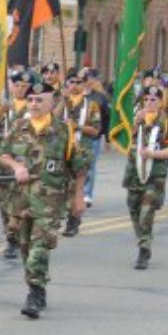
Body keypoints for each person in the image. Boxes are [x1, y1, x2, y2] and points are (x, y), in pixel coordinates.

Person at [0, 81, 82, 319]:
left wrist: (78, 199)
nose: (34, 104)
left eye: (39, 100)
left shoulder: (64, 131)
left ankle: (33, 294)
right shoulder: (18, 126)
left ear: (51, 102)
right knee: (25, 247)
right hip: (21, 200)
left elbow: (79, 167)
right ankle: (38, 287)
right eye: (31, 100)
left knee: (39, 248)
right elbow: (2, 154)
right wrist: (15, 166)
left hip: (50, 203)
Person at [122, 86, 168, 270]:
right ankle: (143, 239)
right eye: (146, 99)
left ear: (161, 102)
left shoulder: (167, 122)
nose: (149, 103)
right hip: (134, 172)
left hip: (155, 174)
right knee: (134, 209)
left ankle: (144, 249)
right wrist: (134, 125)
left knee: (147, 211)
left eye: (153, 100)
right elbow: (124, 143)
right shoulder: (136, 119)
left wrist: (153, 154)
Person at [0, 69, 32, 258]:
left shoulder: (33, 104)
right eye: (17, 85)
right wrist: (2, 110)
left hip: (24, 161)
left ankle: (19, 237)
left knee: (21, 202)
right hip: (2, 160)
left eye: (24, 86)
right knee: (3, 202)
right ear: (11, 86)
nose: (20, 89)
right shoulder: (3, 103)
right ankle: (11, 239)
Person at [60, 68, 101, 237]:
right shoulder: (61, 102)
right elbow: (51, 122)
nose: (75, 85)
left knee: (78, 187)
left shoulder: (91, 105)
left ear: (84, 84)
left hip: (81, 151)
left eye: (78, 82)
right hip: (61, 150)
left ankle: (74, 220)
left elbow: (96, 130)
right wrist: (62, 101)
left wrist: (78, 127)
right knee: (60, 186)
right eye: (72, 82)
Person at [83, 68, 110, 208]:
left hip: (93, 138)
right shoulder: (73, 97)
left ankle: (87, 193)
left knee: (89, 167)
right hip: (74, 138)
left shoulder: (100, 97)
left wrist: (107, 137)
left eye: (87, 79)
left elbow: (106, 118)